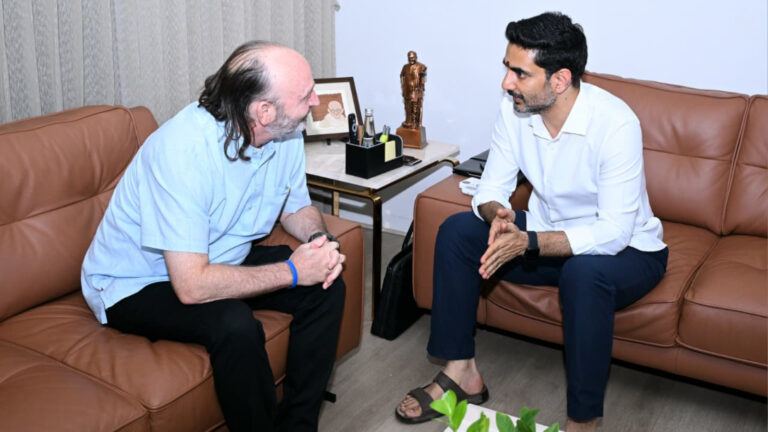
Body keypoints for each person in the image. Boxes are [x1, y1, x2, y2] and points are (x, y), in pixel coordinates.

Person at [395, 12, 668, 432]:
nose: (507, 83)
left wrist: (528, 242)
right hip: (542, 236)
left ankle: (583, 421)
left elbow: (613, 232)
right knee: (456, 233)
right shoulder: (515, 110)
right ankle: (460, 371)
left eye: (519, 73)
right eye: (507, 68)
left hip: (627, 251)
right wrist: (499, 217)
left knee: (583, 274)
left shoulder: (615, 124)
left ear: (559, 80)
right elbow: (490, 189)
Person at [81, 40, 346, 432]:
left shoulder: (284, 132)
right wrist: (292, 272)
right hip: (136, 282)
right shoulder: (183, 151)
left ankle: (299, 425)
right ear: (263, 110)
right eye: (306, 94)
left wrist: (319, 244)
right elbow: (190, 286)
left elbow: (296, 208)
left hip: (218, 258)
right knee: (234, 325)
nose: (316, 100)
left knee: (326, 285)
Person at [400, 50, 427, 129]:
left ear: (416, 57)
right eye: (409, 58)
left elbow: (424, 78)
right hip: (407, 91)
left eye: (412, 57)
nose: (411, 59)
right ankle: (408, 121)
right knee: (407, 107)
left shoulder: (421, 66)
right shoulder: (405, 67)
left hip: (416, 91)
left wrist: (421, 89)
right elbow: (401, 76)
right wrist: (402, 87)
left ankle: (416, 123)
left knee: (415, 108)